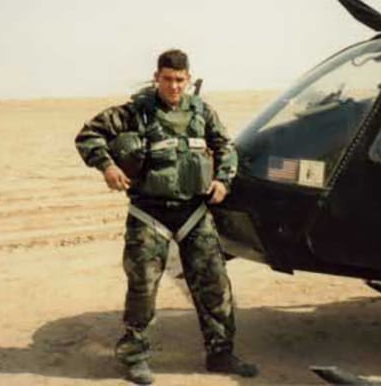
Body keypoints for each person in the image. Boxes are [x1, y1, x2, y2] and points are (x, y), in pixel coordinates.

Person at [74, 49, 258, 385]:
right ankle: (133, 357)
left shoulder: (202, 112)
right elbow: (88, 135)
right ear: (157, 77)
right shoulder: (135, 112)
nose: (174, 86)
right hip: (148, 213)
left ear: (188, 79)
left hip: (194, 212)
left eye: (180, 80)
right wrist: (108, 166)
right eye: (167, 79)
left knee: (214, 285)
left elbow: (226, 147)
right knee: (143, 287)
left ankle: (220, 353)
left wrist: (224, 180)